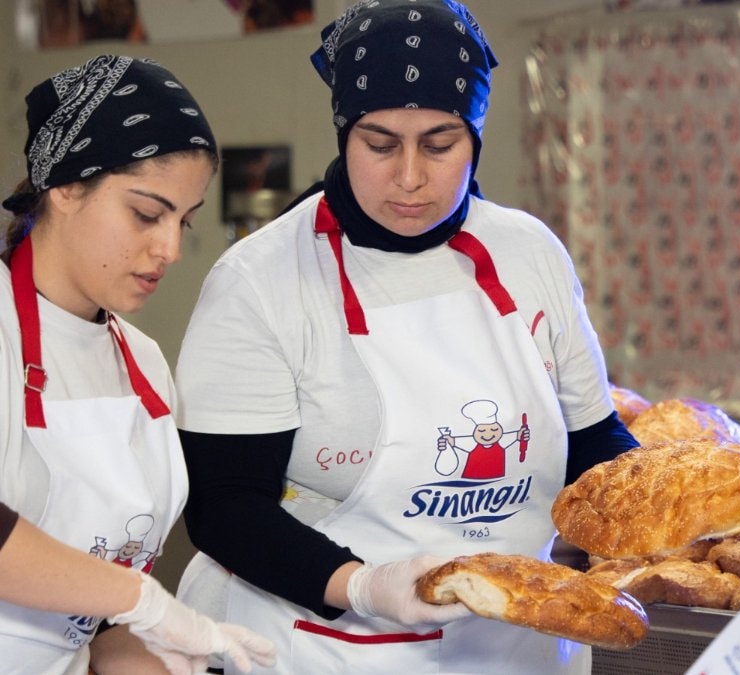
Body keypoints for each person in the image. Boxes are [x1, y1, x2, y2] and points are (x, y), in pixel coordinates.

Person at [174, 2, 638, 673]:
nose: (411, 176)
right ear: (344, 134)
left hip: (513, 653)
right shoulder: (263, 279)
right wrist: (363, 584)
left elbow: (596, 448)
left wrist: (678, 524)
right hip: (321, 647)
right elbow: (224, 506)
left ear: (475, 135)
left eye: (441, 143)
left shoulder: (529, 253)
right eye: (381, 143)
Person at [0, 56, 276, 674]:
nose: (170, 249)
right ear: (66, 185)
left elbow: (85, 625)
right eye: (147, 214)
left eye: (184, 219)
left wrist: (150, 648)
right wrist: (143, 602)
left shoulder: (144, 364)